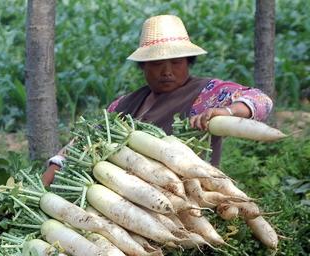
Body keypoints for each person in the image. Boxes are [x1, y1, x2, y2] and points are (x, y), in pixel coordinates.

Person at [42, 14, 273, 186]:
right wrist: (49, 176)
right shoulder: (123, 104)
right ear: (143, 66)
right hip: (124, 206)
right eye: (156, 64)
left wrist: (228, 112)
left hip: (187, 198)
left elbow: (261, 101)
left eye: (176, 62)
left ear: (188, 63)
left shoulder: (206, 93)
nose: (167, 71)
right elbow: (83, 142)